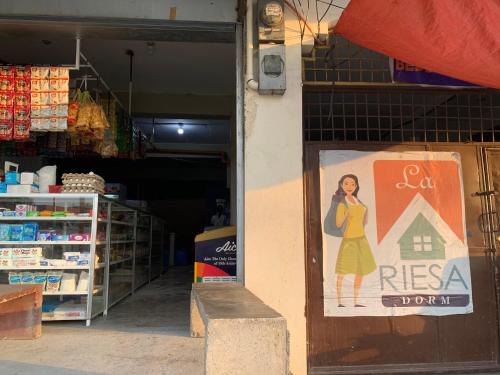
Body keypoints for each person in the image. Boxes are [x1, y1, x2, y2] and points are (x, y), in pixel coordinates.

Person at [333, 174, 376, 307]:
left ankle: (355, 301)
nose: (349, 186)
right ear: (341, 185)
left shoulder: (359, 202)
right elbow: (338, 224)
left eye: (352, 184)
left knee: (360, 271)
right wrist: (346, 214)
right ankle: (340, 301)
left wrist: (366, 212)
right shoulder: (342, 203)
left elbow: (365, 221)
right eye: (346, 184)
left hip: (361, 240)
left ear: (356, 186)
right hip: (349, 241)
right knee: (342, 272)